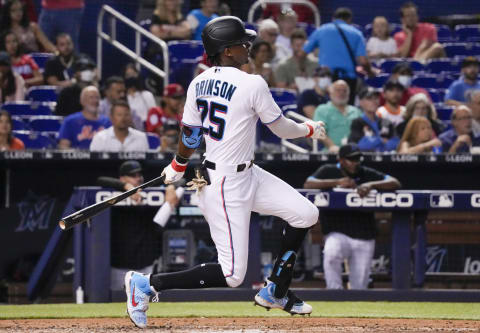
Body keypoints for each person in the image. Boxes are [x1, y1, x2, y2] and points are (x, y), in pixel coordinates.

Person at [124, 16, 326, 329]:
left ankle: (276, 289)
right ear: (226, 50)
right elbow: (282, 130)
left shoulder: (197, 82)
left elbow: (191, 135)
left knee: (306, 214)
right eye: (242, 42)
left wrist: (177, 165)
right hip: (223, 184)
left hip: (247, 173)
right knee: (232, 275)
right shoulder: (252, 82)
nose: (249, 46)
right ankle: (146, 284)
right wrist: (309, 128)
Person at [304, 143, 401, 290]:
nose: (356, 162)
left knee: (359, 286)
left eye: (357, 158)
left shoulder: (365, 173)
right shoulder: (329, 170)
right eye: (351, 159)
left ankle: (354, 306)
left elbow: (395, 182)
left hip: (364, 234)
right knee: (331, 253)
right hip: (337, 231)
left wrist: (370, 185)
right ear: (341, 160)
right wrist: (336, 182)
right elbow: (308, 184)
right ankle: (334, 293)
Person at [96, 160, 180, 291]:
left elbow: (183, 180)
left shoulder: (150, 193)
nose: (138, 178)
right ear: (122, 178)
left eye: (139, 175)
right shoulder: (114, 194)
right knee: (117, 304)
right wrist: (125, 187)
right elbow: (100, 180)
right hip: (119, 266)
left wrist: (171, 188)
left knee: (146, 303)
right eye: (133, 175)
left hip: (146, 265)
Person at [303, 7, 376, 104]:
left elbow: (303, 52)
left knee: (326, 107)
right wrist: (371, 72)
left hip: (326, 79)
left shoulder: (321, 30)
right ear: (349, 19)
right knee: (346, 110)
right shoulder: (356, 33)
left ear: (333, 18)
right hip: (348, 81)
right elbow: (363, 61)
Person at [313, 80, 362, 153]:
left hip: (354, 152)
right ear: (331, 93)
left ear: (348, 94)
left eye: (344, 91)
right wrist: (331, 146)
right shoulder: (322, 109)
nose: (341, 93)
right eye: (338, 90)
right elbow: (318, 131)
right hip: (331, 152)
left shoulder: (356, 111)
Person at [348, 87, 397, 152]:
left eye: (376, 98)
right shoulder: (357, 123)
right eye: (369, 99)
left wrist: (371, 140)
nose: (374, 101)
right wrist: (381, 140)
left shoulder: (386, 122)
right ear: (361, 102)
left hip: (386, 160)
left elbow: (396, 143)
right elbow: (360, 145)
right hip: (366, 160)